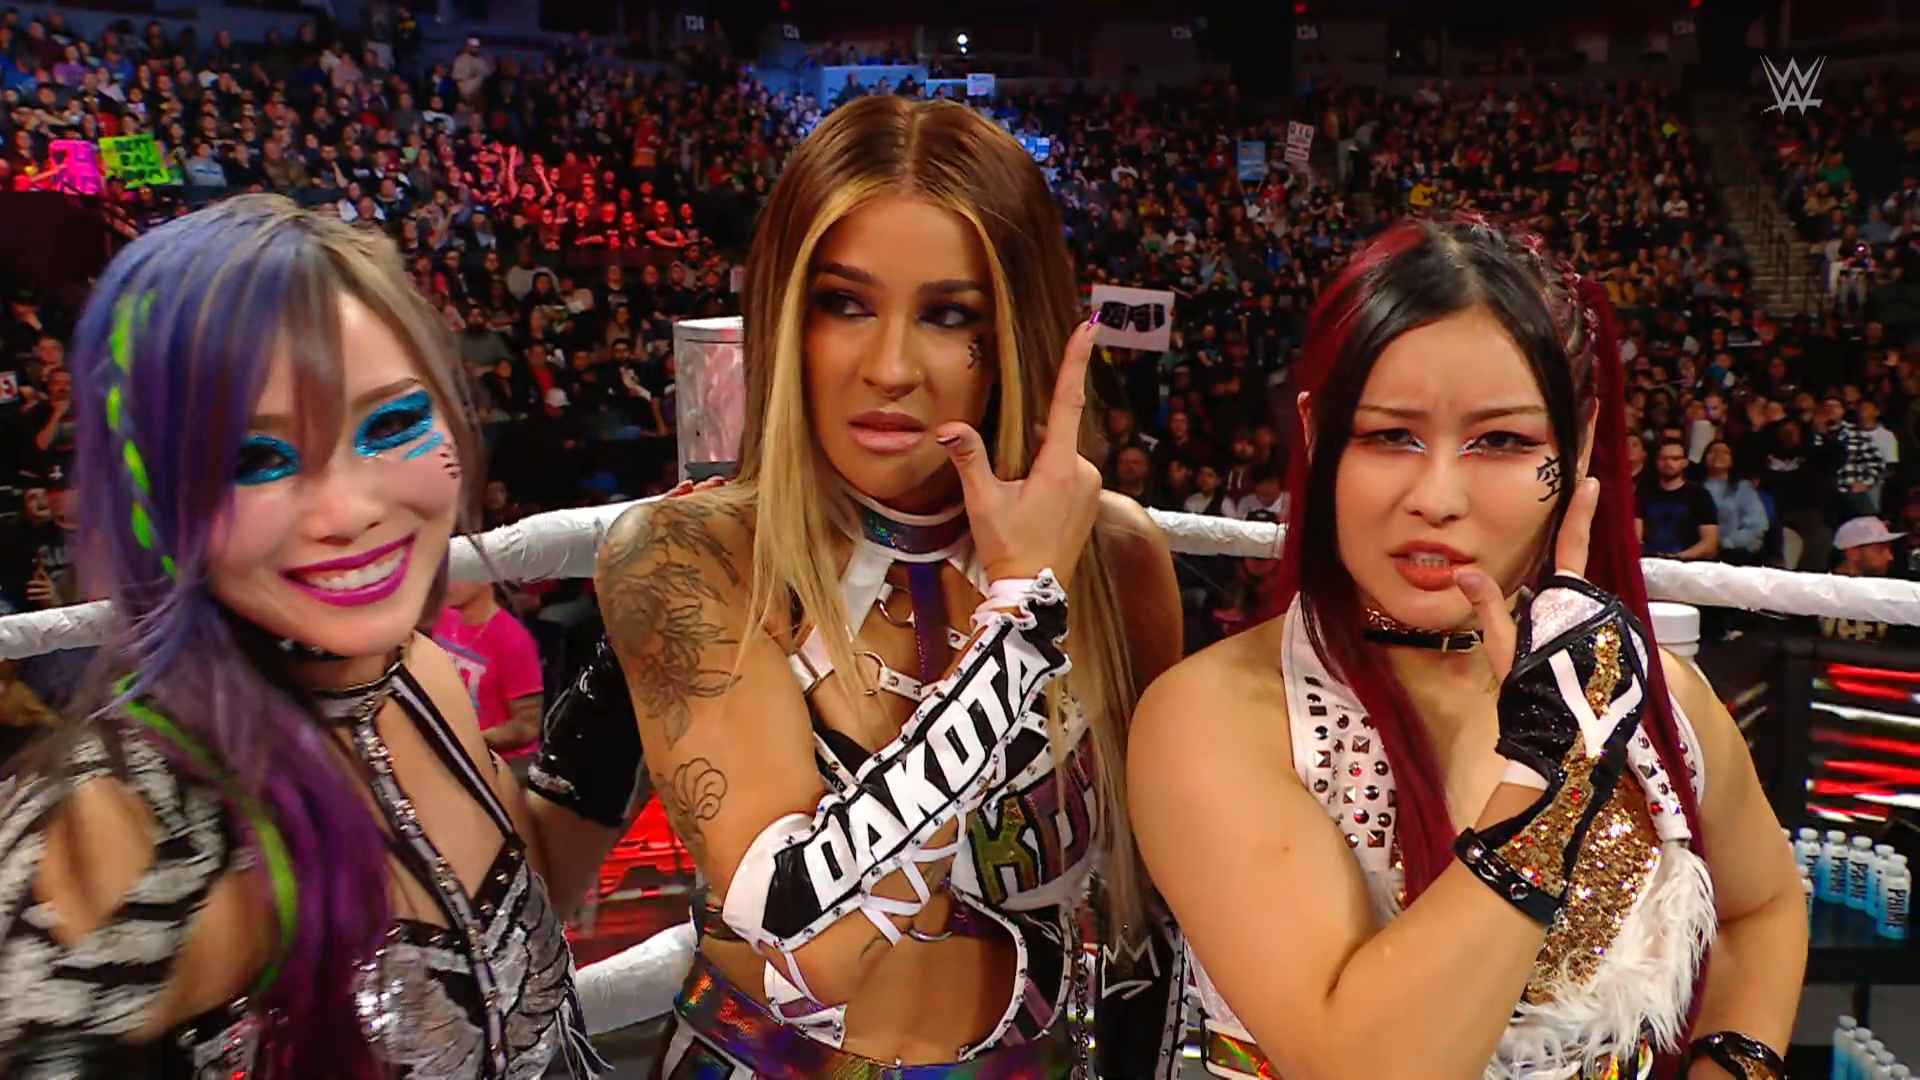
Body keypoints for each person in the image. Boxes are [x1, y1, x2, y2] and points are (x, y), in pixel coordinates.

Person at [576, 95, 1187, 1077]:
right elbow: (810, 949)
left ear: (1016, 332)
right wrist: (1019, 618)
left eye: (949, 315)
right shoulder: (689, 555)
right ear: (787, 317)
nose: (891, 366)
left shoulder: (1115, 556)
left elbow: (1145, 917)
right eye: (845, 303)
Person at [1129, 216, 1807, 1080]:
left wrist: (1736, 1064)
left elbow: (1764, 908)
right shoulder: (1215, 716)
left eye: (1503, 442)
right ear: (1316, 435)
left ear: (1580, 444)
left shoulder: (1655, 695)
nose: (1437, 496)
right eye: (1389, 436)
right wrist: (1550, 775)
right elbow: (1363, 1068)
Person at [0, 196, 605, 1078]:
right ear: (155, 500)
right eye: (256, 460)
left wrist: (630, 680)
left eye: (391, 424)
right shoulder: (111, 817)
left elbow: (523, 923)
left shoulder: (421, 674)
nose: (349, 511)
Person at [432, 579, 546, 763]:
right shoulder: (443, 618)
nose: (448, 582)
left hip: (501, 761)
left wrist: (470, 741)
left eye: (459, 575)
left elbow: (528, 727)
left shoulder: (513, 640)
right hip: (449, 747)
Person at [1638, 436, 1720, 560]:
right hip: (1649, 562)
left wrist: (1679, 557)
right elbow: (1636, 534)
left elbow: (1709, 542)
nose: (1669, 463)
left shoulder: (1699, 495)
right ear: (1656, 461)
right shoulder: (1644, 492)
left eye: (1675, 459)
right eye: (1663, 458)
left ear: (1685, 462)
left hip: (1688, 564)